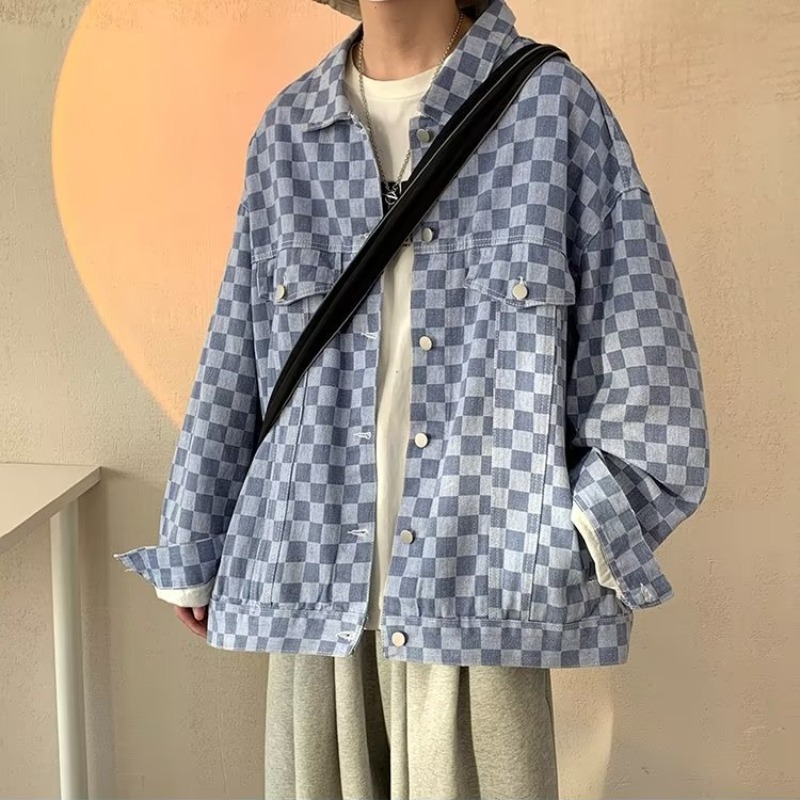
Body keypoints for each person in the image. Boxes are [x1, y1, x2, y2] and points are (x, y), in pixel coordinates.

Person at [113, 0, 710, 797]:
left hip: (482, 598)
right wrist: (195, 541)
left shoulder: (552, 109)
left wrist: (567, 535)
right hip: (312, 590)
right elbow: (235, 354)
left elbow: (650, 372)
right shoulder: (291, 130)